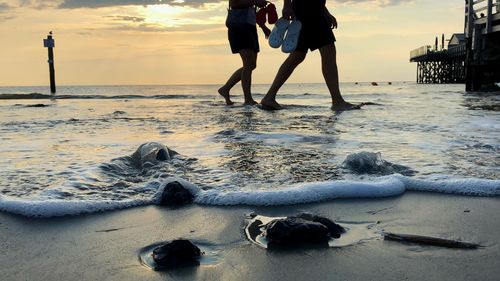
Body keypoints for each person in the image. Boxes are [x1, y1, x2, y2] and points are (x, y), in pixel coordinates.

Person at [260, 0, 360, 111]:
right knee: (328, 50)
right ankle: (337, 101)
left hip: (311, 9)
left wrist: (325, 12)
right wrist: (287, 5)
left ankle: (269, 97)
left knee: (298, 55)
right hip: (309, 10)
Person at [219, 0, 267, 106]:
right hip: (239, 27)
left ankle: (225, 89)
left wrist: (263, 27)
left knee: (251, 65)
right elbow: (234, 4)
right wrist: (255, 2)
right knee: (248, 64)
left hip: (250, 27)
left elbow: (252, 11)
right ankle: (248, 99)